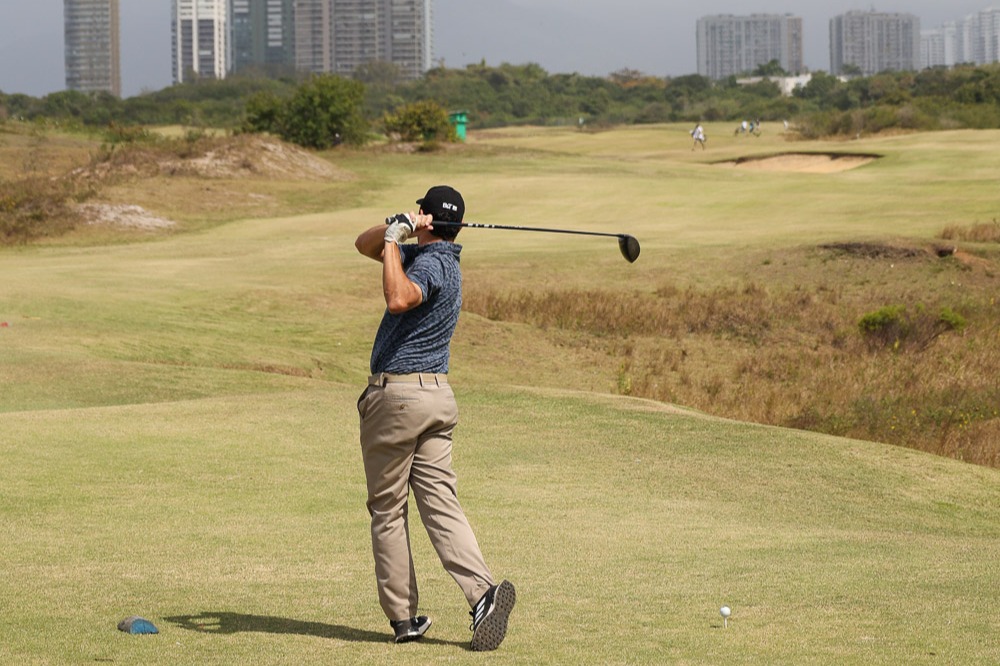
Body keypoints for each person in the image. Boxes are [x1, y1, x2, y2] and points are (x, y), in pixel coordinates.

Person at [353, 185, 516, 650]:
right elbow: (362, 245)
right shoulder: (447, 261)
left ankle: (403, 618)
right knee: (441, 503)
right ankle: (482, 594)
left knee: (388, 510)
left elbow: (398, 299)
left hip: (399, 398)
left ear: (427, 216)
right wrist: (393, 228)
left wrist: (395, 238)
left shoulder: (425, 264)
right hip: (436, 399)